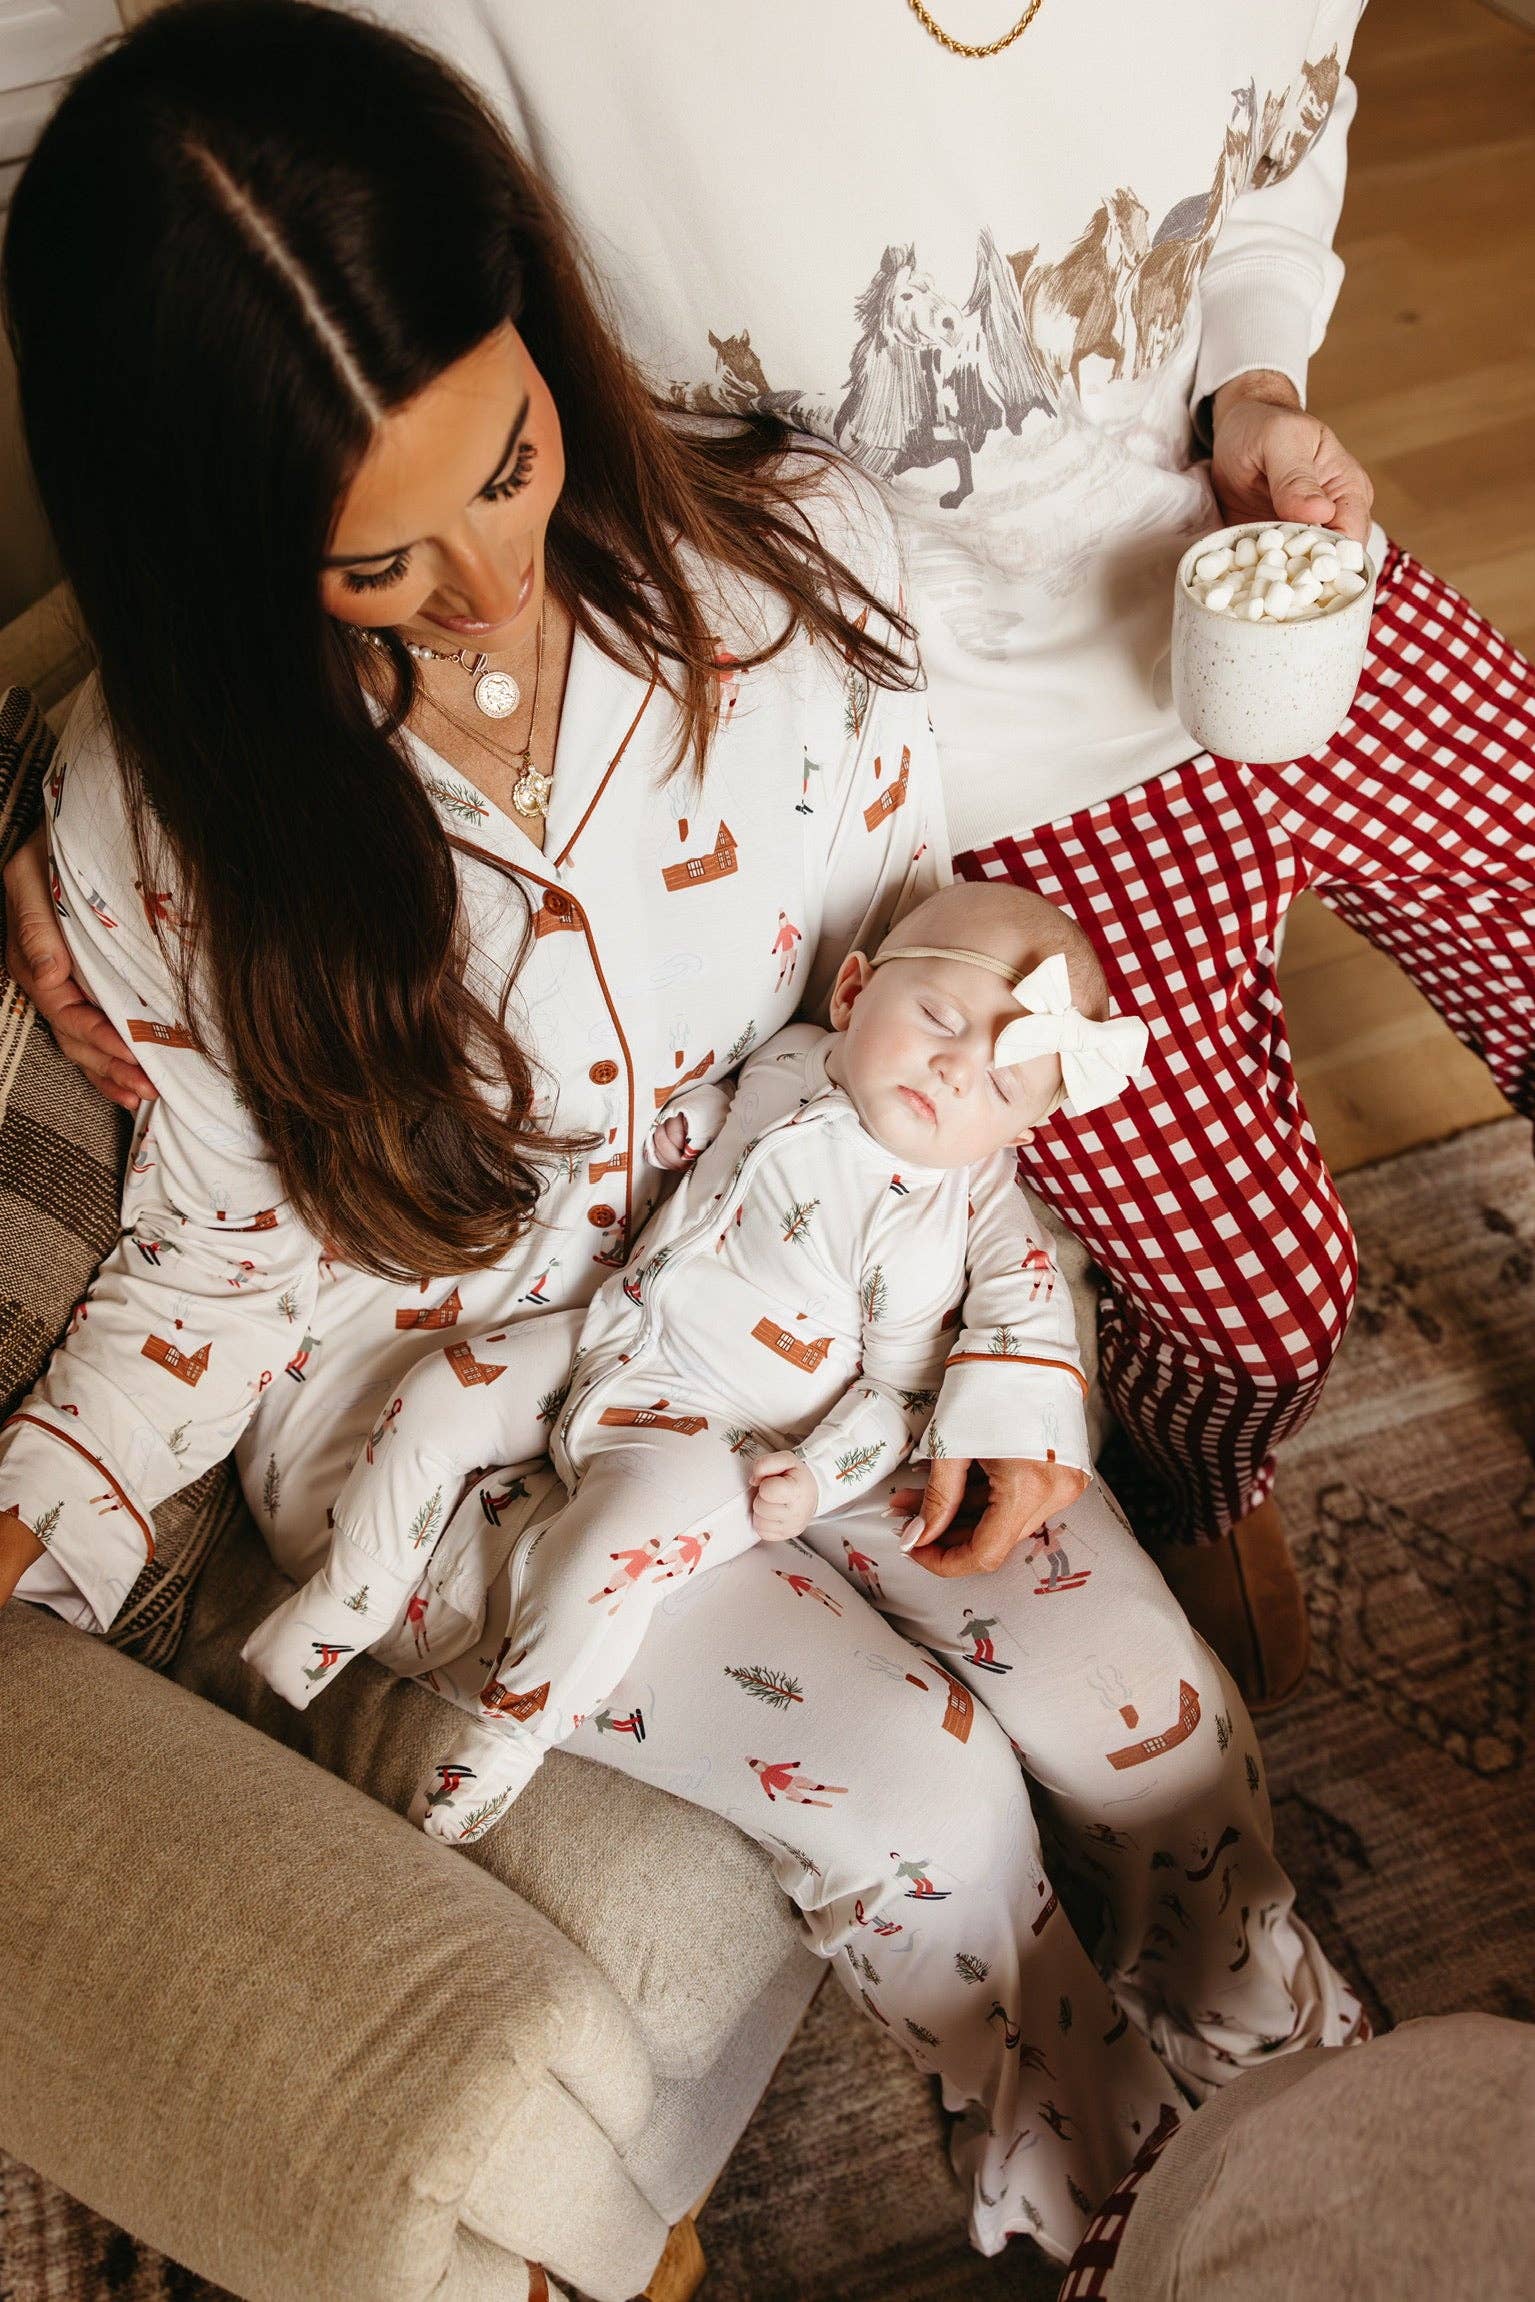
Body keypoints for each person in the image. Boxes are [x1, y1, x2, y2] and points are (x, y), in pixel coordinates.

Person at [0, 0, 1361, 2264]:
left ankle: (1313, 2105)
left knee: (1160, 1721)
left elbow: (939, 1037)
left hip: (829, 1313)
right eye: (373, 567)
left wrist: (1018, 1360)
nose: (486, 585)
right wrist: (51, 1507)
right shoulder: (158, 820)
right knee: (926, 1810)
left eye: (506, 466)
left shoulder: (794, 571)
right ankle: (1127, 2199)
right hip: (474, 1415)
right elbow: (219, 1254)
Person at [241, 882, 1147, 1839]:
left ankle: (512, 1734)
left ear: (1011, 1138)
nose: (956, 1070)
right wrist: (704, 1117)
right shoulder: (792, 1058)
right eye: (938, 1020)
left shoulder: (919, 1232)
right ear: (851, 993)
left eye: (1000, 1086)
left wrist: (819, 1471)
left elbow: (898, 1394)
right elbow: (746, 1114)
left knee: (601, 1558)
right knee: (436, 1394)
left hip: (717, 1433)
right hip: (612, 1332)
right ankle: (349, 1596)